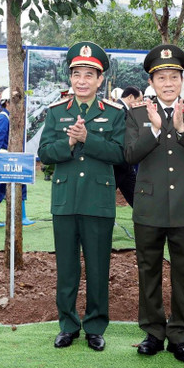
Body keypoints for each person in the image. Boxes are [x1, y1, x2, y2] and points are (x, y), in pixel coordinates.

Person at [125, 45, 184, 363]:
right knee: (148, 269)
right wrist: (153, 129)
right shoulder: (137, 114)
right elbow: (129, 155)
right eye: (161, 77)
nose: (168, 83)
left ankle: (178, 334)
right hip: (149, 207)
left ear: (181, 81)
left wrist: (182, 129)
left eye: (174, 77)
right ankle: (153, 332)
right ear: (151, 82)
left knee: (183, 272)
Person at [37, 41, 125, 352]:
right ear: (70, 78)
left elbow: (121, 153)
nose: (82, 81)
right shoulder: (56, 112)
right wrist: (70, 144)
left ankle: (95, 326)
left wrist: (88, 139)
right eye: (77, 74)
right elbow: (45, 153)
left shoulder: (114, 113)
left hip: (98, 201)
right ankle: (68, 325)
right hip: (65, 200)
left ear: (100, 80)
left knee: (98, 267)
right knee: (67, 268)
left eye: (89, 75)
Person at [0, 95, 34, 228]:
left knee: (20, 186)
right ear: (7, 103)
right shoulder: (3, 118)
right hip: (2, 160)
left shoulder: (8, 117)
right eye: (16, 103)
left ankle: (21, 217)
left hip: (8, 159)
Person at [113, 86, 142, 207]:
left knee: (138, 200)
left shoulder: (124, 111)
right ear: (130, 97)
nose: (139, 104)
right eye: (138, 101)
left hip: (125, 165)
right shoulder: (118, 111)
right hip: (116, 164)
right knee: (101, 201)